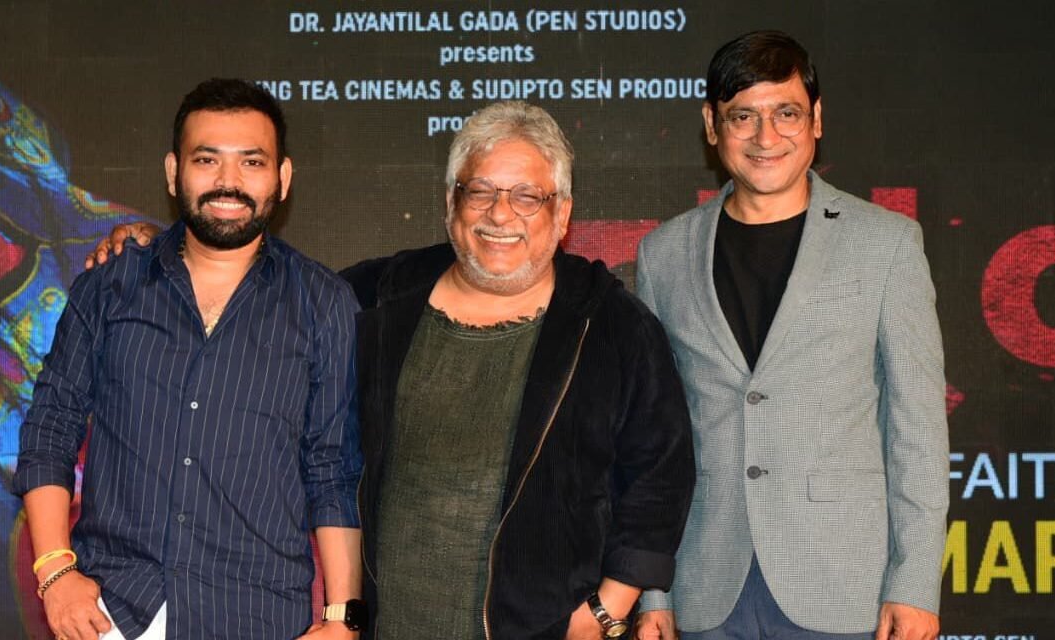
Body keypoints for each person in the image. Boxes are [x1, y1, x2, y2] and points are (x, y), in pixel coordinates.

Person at [94, 100, 696, 639]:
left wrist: (605, 610)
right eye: (480, 191)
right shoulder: (373, 297)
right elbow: (251, 293)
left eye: (526, 196)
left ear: (561, 214)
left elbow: (661, 473)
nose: (500, 214)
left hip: (548, 629)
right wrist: (163, 247)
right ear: (450, 204)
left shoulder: (609, 323)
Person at [13, 78, 364, 640]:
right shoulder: (110, 285)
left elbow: (332, 470)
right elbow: (50, 428)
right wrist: (55, 572)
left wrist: (342, 618)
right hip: (110, 610)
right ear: (174, 172)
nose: (228, 181)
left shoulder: (324, 303)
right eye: (207, 160)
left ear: (282, 177)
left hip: (257, 616)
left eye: (252, 162)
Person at [633, 31, 949, 640]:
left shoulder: (886, 244)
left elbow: (918, 431)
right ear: (711, 125)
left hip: (844, 588)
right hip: (705, 586)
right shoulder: (663, 254)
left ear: (816, 120)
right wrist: (654, 592)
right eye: (742, 116)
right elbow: (652, 438)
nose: (765, 136)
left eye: (786, 113)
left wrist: (913, 584)